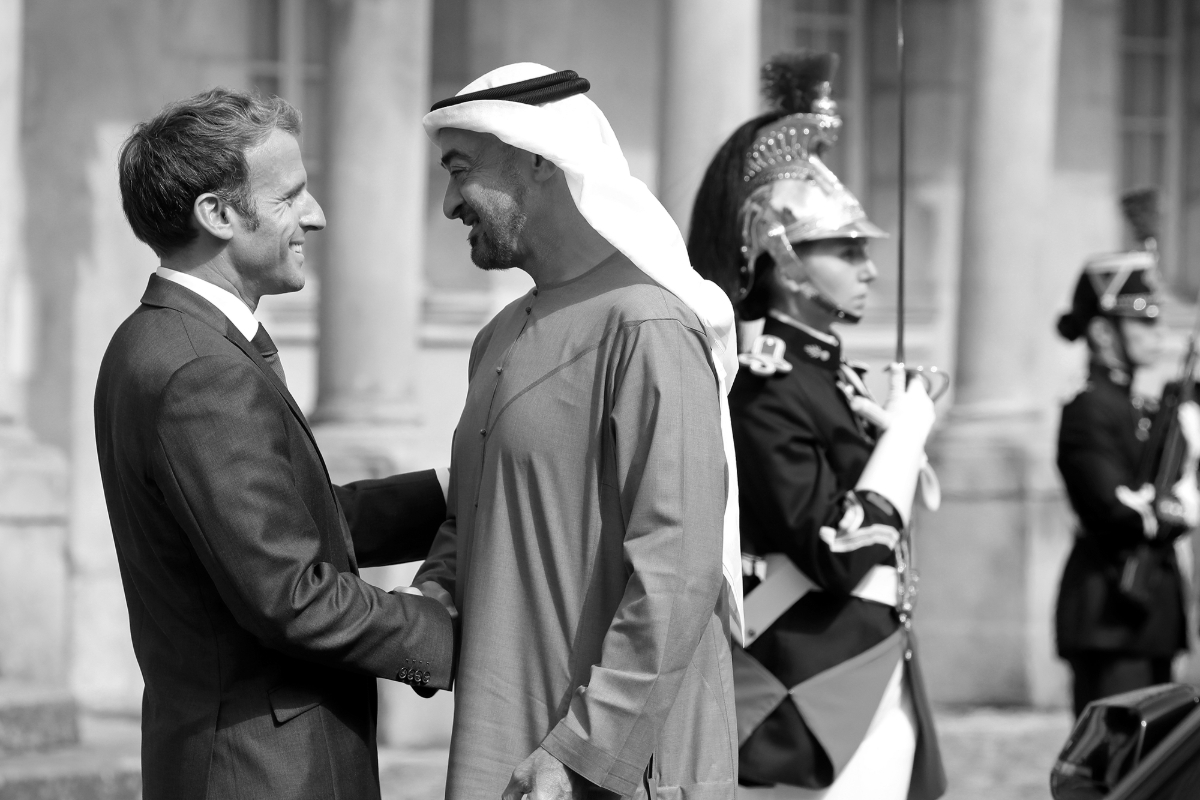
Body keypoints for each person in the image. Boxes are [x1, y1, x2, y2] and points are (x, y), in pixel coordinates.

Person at [95, 88, 455, 800]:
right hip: (266, 772)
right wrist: (444, 630)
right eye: (290, 195)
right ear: (219, 214)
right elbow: (289, 593)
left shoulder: (173, 340)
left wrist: (450, 490)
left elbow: (281, 528)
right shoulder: (199, 369)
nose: (316, 216)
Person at [413, 64, 743, 799]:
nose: (447, 204)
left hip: (606, 770)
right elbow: (470, 529)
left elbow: (677, 571)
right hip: (504, 755)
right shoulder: (497, 335)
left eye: (460, 171)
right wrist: (415, 614)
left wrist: (582, 751)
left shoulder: (648, 326)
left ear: (538, 160)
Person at [687, 52, 946, 799]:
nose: (868, 266)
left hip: (863, 662)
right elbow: (834, 549)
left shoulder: (824, 379)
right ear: (787, 262)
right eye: (847, 249)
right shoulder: (768, 387)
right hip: (806, 683)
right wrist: (904, 439)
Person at [1054, 209, 1200, 718]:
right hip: (1109, 612)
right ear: (1101, 332)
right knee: (1114, 778)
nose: (1156, 332)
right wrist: (1177, 507)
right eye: (1142, 320)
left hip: (1152, 615)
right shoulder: (1088, 409)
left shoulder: (1144, 410)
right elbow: (1117, 510)